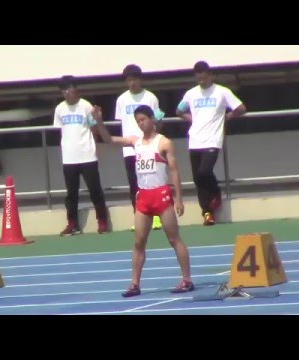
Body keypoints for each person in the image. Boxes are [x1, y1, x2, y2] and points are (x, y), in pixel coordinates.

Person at [93, 104, 194, 297]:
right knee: (139, 242)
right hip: (144, 197)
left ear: (152, 119)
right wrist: (98, 120)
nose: (141, 124)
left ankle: (187, 279)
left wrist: (179, 199)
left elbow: (174, 171)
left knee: (174, 238)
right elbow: (108, 139)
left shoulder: (164, 143)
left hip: (162, 195)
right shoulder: (135, 142)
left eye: (143, 119)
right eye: (138, 121)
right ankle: (134, 284)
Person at [176, 61, 247, 226]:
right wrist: (192, 119)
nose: (202, 81)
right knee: (197, 178)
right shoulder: (191, 94)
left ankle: (216, 192)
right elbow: (179, 111)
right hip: (195, 139)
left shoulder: (222, 92)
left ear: (211, 76)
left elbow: (241, 108)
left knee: (204, 171)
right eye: (198, 78)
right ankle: (207, 212)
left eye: (204, 77)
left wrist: (227, 116)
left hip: (213, 139)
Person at [53, 75, 109, 236]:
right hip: (69, 157)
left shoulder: (86, 106)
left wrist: (95, 147)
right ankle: (73, 224)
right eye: (63, 90)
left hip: (87, 155)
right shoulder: (59, 109)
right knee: (71, 193)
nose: (66, 92)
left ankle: (102, 221)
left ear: (75, 89)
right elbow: (61, 131)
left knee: (94, 190)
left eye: (68, 89)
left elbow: (94, 128)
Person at [115, 64, 164, 231]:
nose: (132, 83)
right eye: (129, 80)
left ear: (140, 79)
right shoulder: (121, 100)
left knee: (153, 183)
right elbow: (121, 124)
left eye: (135, 79)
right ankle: (139, 217)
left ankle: (157, 217)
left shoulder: (150, 97)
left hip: (149, 147)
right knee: (134, 185)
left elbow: (158, 122)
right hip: (130, 149)